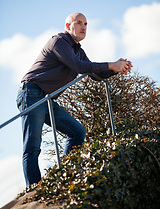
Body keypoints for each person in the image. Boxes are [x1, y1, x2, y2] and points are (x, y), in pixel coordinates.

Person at [16, 12, 132, 186]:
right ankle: (33, 189)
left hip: (47, 99)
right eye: (78, 23)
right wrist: (110, 64)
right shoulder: (59, 42)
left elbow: (92, 73)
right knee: (33, 145)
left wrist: (117, 68)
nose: (83, 27)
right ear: (67, 26)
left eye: (86, 24)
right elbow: (78, 67)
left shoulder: (78, 50)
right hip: (31, 93)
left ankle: (65, 175)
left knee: (78, 132)